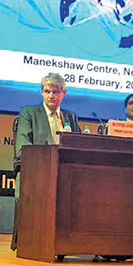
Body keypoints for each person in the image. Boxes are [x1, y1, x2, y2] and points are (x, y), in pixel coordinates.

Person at [12, 72, 80, 251]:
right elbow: (23, 147)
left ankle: (67, 243)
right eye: (47, 91)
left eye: (56, 92)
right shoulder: (29, 113)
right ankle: (33, 241)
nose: (51, 96)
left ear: (63, 93)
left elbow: (78, 146)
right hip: (36, 172)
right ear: (41, 92)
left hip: (64, 173)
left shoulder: (70, 117)